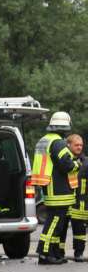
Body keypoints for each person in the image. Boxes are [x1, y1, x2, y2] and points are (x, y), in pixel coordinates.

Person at [32, 112, 79, 264]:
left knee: (56, 222)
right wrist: (77, 164)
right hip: (58, 189)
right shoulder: (58, 143)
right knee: (54, 223)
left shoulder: (44, 140)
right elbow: (67, 164)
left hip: (49, 186)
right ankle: (44, 254)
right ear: (66, 127)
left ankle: (54, 253)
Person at [67, 134, 88, 261]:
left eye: (81, 145)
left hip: (81, 203)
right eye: (76, 145)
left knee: (80, 231)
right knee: (61, 230)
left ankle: (78, 254)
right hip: (65, 200)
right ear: (68, 145)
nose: (79, 147)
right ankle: (58, 253)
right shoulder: (64, 160)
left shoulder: (85, 162)